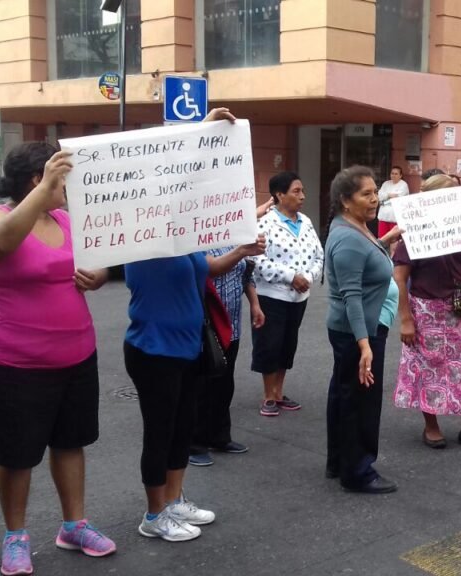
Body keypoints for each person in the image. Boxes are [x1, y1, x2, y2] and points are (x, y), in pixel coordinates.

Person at [123, 108, 267, 542]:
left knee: (182, 429)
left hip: (187, 347)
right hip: (154, 350)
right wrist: (201, 128)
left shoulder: (181, 235)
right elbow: (174, 168)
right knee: (161, 432)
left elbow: (209, 268)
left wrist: (241, 251)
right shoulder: (141, 234)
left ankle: (174, 499)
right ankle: (154, 515)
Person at [0, 142, 116, 575]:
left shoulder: (65, 219)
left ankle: (74, 525)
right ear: (40, 179)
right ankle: (15, 536)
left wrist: (98, 275)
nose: (68, 188)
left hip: (77, 356)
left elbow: (99, 262)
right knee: (16, 456)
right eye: (62, 180)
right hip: (15, 366)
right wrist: (44, 188)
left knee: (71, 443)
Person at [392, 174, 461, 448]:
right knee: (428, 367)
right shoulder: (414, 231)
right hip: (425, 308)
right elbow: (399, 278)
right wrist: (405, 319)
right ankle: (431, 425)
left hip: (457, 307)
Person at [324, 166, 400, 493]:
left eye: (375, 192)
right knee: (360, 402)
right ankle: (358, 472)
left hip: (355, 332)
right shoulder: (348, 238)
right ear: (345, 200)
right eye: (366, 194)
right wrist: (364, 344)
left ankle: (339, 461)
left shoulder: (354, 228)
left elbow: (364, 260)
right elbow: (351, 296)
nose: (374, 199)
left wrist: (387, 239)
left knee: (345, 395)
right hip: (358, 332)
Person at [250, 171, 324, 417]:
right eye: (296, 191)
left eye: (302, 191)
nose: (302, 196)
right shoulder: (265, 223)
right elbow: (256, 259)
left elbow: (319, 255)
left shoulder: (306, 221)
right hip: (272, 296)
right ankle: (268, 395)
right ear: (279, 195)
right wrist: (291, 276)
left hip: (299, 296)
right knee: (269, 344)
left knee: (287, 344)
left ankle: (279, 392)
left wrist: (309, 277)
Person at [188, 253, 265, 467]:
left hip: (231, 324)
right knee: (202, 384)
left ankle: (219, 437)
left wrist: (255, 304)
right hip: (206, 323)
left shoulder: (234, 239)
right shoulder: (202, 241)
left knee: (224, 381)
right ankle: (195, 444)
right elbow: (212, 268)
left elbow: (246, 274)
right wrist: (242, 249)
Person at [377, 166, 409, 239]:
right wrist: (389, 195)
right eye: (392, 173)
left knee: (393, 240)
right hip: (383, 216)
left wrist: (385, 198)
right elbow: (379, 196)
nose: (393, 175)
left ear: (400, 175)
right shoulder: (386, 183)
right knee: (382, 238)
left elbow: (398, 199)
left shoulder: (403, 185)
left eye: (396, 174)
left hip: (395, 217)